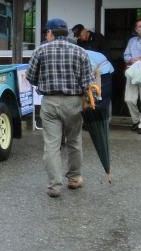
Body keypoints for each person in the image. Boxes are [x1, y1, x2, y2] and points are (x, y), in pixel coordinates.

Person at [26, 17, 95, 198]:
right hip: (74, 102)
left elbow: (30, 76)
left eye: (46, 32)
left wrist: (42, 81)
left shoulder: (40, 51)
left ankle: (54, 185)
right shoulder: (80, 51)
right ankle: (74, 178)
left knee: (52, 145)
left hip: (50, 102)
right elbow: (88, 81)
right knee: (74, 141)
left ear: (50, 33)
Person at [82, 48, 115, 120]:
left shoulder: (82, 55)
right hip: (102, 70)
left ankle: (103, 120)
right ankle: (100, 119)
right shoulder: (82, 52)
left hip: (104, 72)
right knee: (99, 96)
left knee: (102, 97)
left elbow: (91, 70)